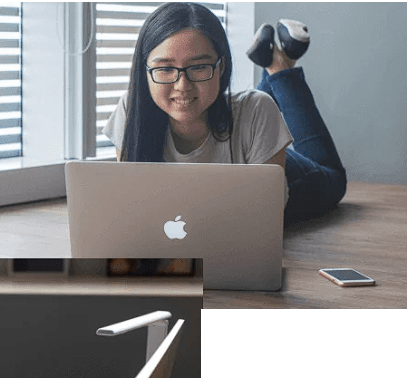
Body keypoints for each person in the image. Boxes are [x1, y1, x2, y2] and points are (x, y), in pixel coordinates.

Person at [103, 2, 347, 226]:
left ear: (222, 66)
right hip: (246, 139)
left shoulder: (257, 111)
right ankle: (274, 59)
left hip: (282, 173)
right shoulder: (130, 111)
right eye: (165, 68)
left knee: (335, 180)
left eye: (199, 67)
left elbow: (263, 222)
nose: (182, 85)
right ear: (144, 72)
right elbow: (133, 207)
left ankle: (279, 67)